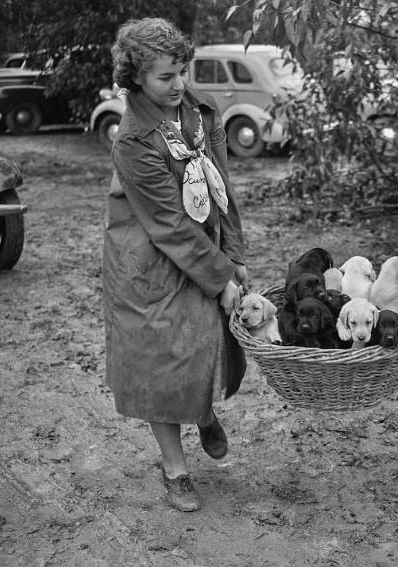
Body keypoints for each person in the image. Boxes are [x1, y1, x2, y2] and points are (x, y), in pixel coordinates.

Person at [102, 18, 249, 512]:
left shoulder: (200, 110)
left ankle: (202, 411)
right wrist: (220, 277)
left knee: (205, 343)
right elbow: (166, 222)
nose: (179, 84)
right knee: (156, 362)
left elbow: (222, 187)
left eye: (182, 71)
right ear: (135, 77)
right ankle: (175, 468)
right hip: (146, 258)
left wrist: (234, 258)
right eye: (166, 77)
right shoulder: (134, 140)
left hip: (198, 245)